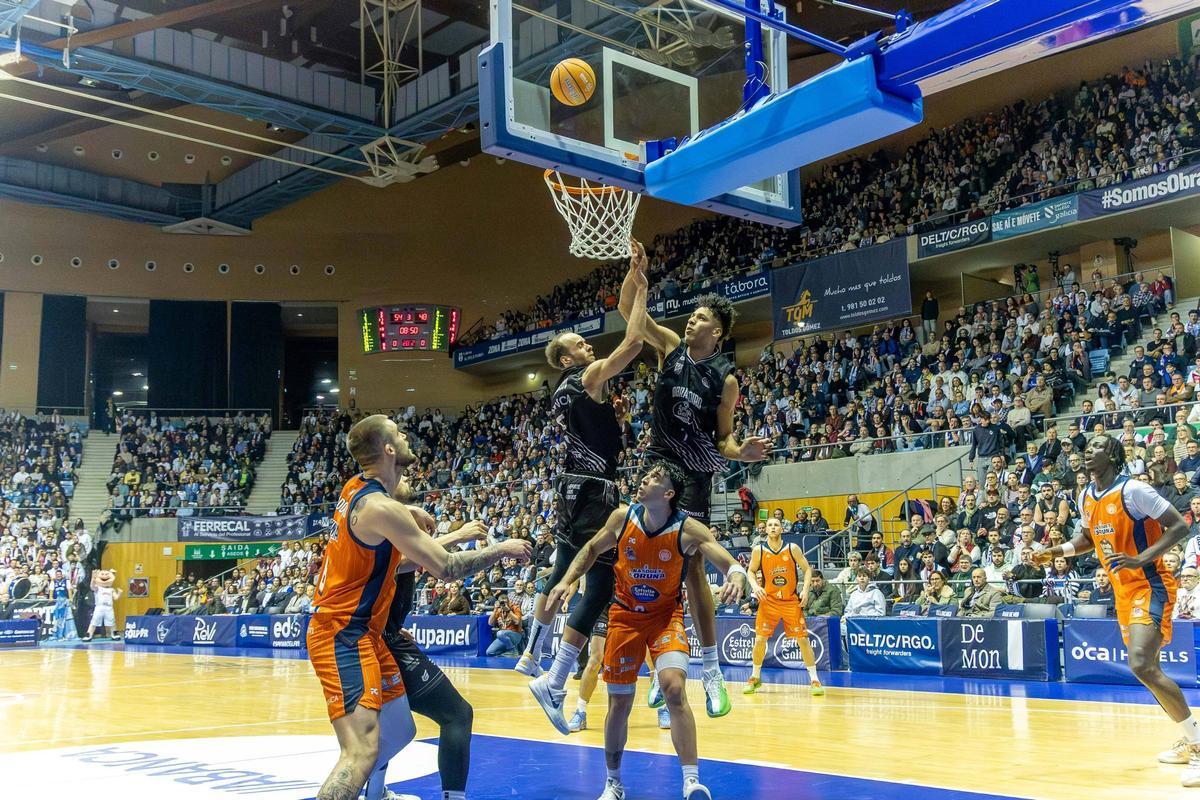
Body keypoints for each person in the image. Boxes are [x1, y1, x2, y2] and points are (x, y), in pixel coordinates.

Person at [306, 415, 531, 800]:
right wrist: (501, 549)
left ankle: (377, 792)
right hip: (343, 634)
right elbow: (445, 568)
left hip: (369, 634)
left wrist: (410, 515)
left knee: (399, 730)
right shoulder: (381, 507)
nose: (407, 435)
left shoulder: (356, 490)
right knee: (359, 752)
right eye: (399, 432)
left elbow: (396, 558)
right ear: (389, 449)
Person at [617, 240, 772, 719]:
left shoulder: (725, 380)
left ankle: (711, 668)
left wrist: (740, 451)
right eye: (692, 315)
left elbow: (724, 440)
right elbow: (629, 312)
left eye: (701, 317)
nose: (691, 321)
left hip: (698, 475)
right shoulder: (668, 348)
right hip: (660, 466)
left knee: (691, 569)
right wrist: (636, 274)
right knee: (646, 564)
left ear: (718, 331)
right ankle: (664, 661)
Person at [543, 462, 752, 800]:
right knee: (619, 703)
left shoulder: (688, 530)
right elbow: (592, 548)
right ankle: (613, 782)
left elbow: (726, 561)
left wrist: (736, 576)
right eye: (645, 476)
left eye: (654, 478)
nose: (643, 480)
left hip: (665, 618)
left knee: (674, 688)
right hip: (624, 618)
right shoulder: (621, 518)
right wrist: (567, 580)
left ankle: (691, 781)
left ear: (668, 494)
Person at [519, 256, 651, 733]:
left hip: (573, 491)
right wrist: (644, 295)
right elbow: (634, 341)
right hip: (593, 493)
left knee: (566, 575)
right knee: (599, 584)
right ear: (568, 358)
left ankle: (538, 659)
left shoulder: (565, 389)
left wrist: (633, 280)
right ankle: (552, 679)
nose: (588, 344)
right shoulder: (585, 377)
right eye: (580, 343)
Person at [1035, 433, 1200, 786]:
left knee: (1140, 662)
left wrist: (1140, 558)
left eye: (1095, 447)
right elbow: (1086, 540)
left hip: (1151, 585)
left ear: (1111, 454)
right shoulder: (1085, 496)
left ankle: (1199, 745)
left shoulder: (1134, 492)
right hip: (1123, 592)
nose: (1086, 452)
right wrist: (1055, 552)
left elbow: (1181, 526)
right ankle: (1191, 739)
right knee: (1147, 670)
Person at [365, 485, 489, 800]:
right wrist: (457, 536)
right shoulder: (390, 540)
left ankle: (376, 793)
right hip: (380, 643)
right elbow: (403, 560)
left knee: (386, 726)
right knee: (457, 715)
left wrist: (393, 625)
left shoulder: (382, 527)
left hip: (380, 636)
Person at [742, 518, 823, 696]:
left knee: (803, 639)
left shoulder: (792, 548)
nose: (772, 527)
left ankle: (815, 680)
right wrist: (755, 586)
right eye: (769, 525)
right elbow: (750, 571)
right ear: (765, 529)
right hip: (769, 601)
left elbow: (807, 569)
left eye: (776, 525)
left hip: (790, 600)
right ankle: (755, 677)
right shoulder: (759, 550)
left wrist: (806, 590)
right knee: (759, 640)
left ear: (781, 529)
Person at [567, 604, 609, 733]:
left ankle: (663, 708)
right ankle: (580, 711)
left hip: (633, 604)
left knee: (650, 658)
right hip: (606, 606)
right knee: (594, 661)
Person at [83, 570, 120, 641]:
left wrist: (119, 593)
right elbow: (92, 586)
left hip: (109, 607)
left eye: (107, 574)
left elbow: (116, 598)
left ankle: (114, 633)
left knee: (111, 620)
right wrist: (93, 578)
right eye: (102, 574)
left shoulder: (111, 589)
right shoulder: (98, 588)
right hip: (99, 607)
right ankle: (89, 634)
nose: (105, 576)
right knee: (94, 620)